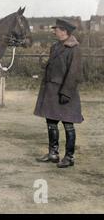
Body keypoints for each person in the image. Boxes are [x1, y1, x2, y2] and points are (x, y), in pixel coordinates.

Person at [34, 18, 83, 168]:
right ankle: (53, 154)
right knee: (51, 123)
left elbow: (74, 73)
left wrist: (66, 93)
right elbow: (56, 66)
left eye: (56, 29)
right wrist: (45, 63)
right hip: (51, 91)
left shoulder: (74, 49)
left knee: (68, 124)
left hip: (65, 91)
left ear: (64, 31)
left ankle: (69, 157)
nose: (54, 31)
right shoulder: (55, 46)